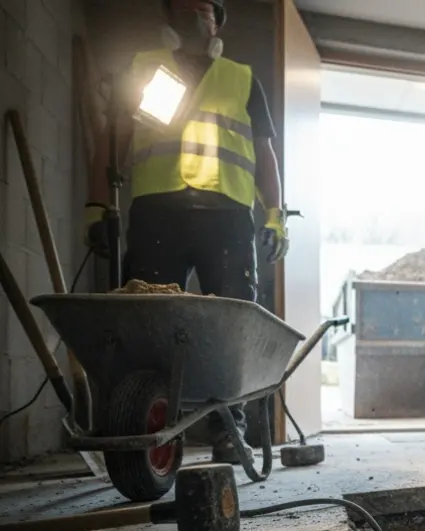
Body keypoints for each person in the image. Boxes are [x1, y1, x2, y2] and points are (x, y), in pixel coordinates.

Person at [86, 0, 288, 462]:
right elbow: (113, 140)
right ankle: (152, 422)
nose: (198, 13)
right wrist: (97, 206)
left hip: (227, 217)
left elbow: (264, 155)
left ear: (218, 21)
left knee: (231, 323)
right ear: (170, 17)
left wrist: (274, 215)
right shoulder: (148, 71)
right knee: (151, 322)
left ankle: (228, 430)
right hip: (160, 211)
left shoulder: (241, 78)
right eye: (186, 4)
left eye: (208, 7)